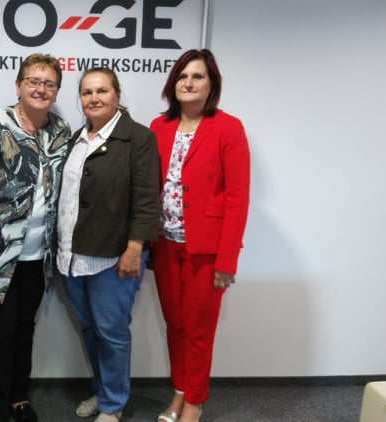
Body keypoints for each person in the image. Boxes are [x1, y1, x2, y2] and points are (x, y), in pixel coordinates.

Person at [0, 53, 71, 422]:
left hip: (39, 256)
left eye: (49, 83)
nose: (41, 89)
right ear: (19, 85)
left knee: (25, 328)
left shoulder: (60, 130)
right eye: (34, 81)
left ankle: (18, 397)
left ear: (57, 90)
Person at [150, 49, 250, 422]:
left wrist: (227, 260)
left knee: (198, 330)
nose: (189, 83)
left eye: (197, 76)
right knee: (175, 326)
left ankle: (194, 400)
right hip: (164, 246)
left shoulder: (228, 127)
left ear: (211, 85)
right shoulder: (158, 126)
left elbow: (237, 198)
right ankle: (179, 390)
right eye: (182, 76)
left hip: (205, 251)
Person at [59, 67, 160, 422]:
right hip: (72, 256)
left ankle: (113, 404)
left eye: (102, 90)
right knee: (91, 329)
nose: (94, 98)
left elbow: (147, 198)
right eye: (87, 92)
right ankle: (102, 391)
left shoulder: (138, 138)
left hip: (114, 257)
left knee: (112, 333)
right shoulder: (77, 138)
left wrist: (135, 247)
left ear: (117, 94)